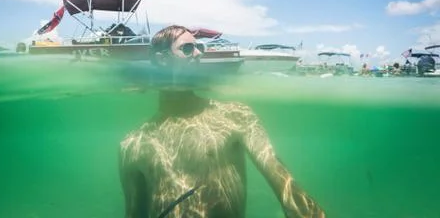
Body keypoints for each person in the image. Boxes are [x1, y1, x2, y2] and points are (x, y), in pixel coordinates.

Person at [119, 25, 325, 218]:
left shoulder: (235, 115)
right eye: (188, 48)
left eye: (200, 47)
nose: (199, 53)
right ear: (162, 59)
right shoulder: (134, 143)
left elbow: (285, 185)